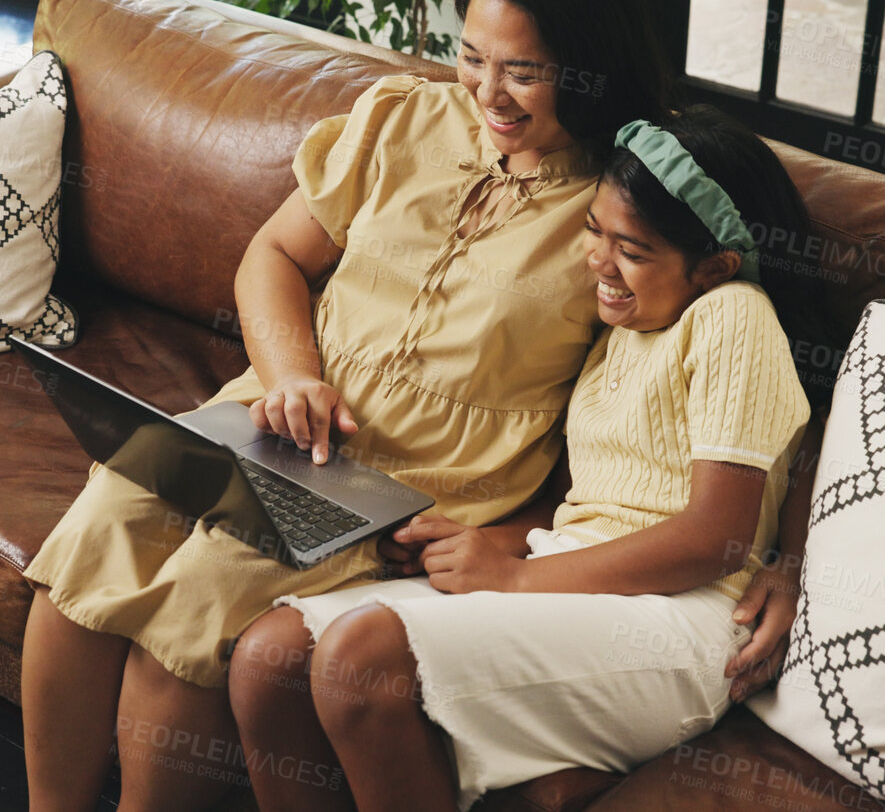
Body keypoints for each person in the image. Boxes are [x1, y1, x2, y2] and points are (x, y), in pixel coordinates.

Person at [18, 0, 675, 812]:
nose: (489, 91)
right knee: (91, 539)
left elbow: (637, 415)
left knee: (194, 608)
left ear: (594, 65)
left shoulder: (624, 211)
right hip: (273, 417)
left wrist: (519, 533)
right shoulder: (402, 117)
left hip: (406, 482)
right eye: (472, 55)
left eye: (524, 69)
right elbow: (273, 258)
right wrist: (290, 375)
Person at [230, 106, 832, 812]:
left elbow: (713, 536)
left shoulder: (730, 314)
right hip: (565, 566)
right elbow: (589, 500)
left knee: (361, 657)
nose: (598, 263)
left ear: (714, 266)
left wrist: (515, 577)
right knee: (268, 659)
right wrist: (487, 541)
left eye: (631, 250)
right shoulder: (621, 326)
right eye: (592, 230)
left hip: (681, 614)